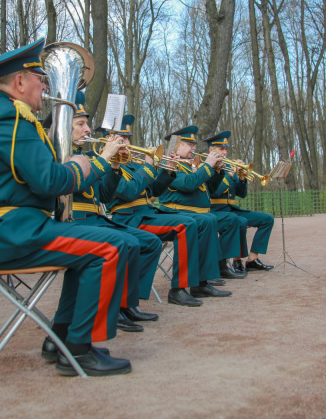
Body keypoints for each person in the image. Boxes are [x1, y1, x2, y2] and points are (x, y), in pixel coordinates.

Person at [0, 38, 132, 377]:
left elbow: (37, 176)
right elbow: (48, 182)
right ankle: (79, 351)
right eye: (41, 79)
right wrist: (89, 167)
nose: (45, 86)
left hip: (11, 227)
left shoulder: (4, 115)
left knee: (100, 244)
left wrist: (77, 164)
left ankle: (62, 338)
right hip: (7, 232)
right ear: (20, 82)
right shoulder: (8, 117)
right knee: (111, 247)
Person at [67, 104, 162, 331]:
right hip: (78, 220)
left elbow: (104, 196)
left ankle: (127, 304)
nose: (88, 130)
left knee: (151, 243)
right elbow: (124, 193)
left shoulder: (91, 157)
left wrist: (115, 166)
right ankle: (115, 308)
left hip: (97, 218)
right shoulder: (64, 153)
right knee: (126, 243)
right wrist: (105, 161)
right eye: (81, 124)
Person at [107, 124, 214, 308]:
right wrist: (149, 165)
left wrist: (168, 171)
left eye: (127, 139)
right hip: (128, 219)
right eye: (121, 139)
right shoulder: (109, 166)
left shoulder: (133, 165)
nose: (126, 143)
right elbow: (129, 192)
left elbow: (154, 190)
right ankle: (178, 290)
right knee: (186, 225)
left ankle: (190, 285)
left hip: (146, 214)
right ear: (108, 140)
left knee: (191, 223)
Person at [156, 126, 234, 298]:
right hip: (174, 213)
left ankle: (202, 283)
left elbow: (211, 190)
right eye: (189, 144)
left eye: (193, 144)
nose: (194, 147)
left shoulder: (190, 164)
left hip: (195, 214)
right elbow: (188, 184)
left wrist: (217, 171)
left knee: (209, 219)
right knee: (206, 220)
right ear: (176, 146)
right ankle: (189, 284)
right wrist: (207, 166)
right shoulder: (170, 163)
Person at [204, 131, 275, 273]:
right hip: (214, 210)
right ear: (211, 149)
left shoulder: (227, 167)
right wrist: (231, 174)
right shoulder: (206, 167)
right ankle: (235, 261)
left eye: (225, 149)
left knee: (267, 219)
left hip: (230, 209)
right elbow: (215, 192)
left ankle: (252, 260)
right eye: (221, 149)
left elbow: (242, 194)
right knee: (239, 220)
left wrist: (242, 178)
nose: (224, 153)